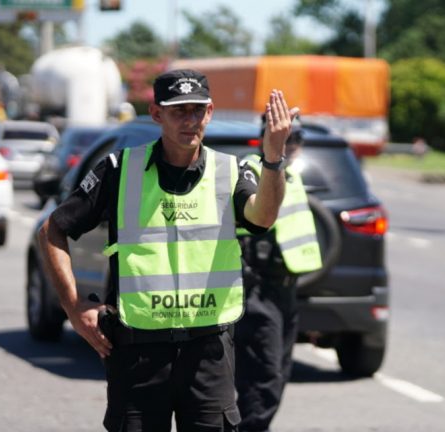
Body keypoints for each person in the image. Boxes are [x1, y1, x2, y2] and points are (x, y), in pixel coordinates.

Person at [37, 69, 297, 432]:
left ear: (209, 112)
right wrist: (73, 306)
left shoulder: (230, 171)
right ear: (157, 114)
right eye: (179, 111)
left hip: (209, 352)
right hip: (137, 353)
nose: (190, 121)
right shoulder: (119, 169)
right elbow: (52, 230)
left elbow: (263, 217)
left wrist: (273, 158)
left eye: (197, 110)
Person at [234, 116, 323, 432]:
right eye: (284, 138)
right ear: (265, 139)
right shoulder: (252, 170)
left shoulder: (292, 176)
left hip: (287, 290)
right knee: (264, 375)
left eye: (296, 138)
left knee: (279, 373)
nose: (292, 145)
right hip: (258, 289)